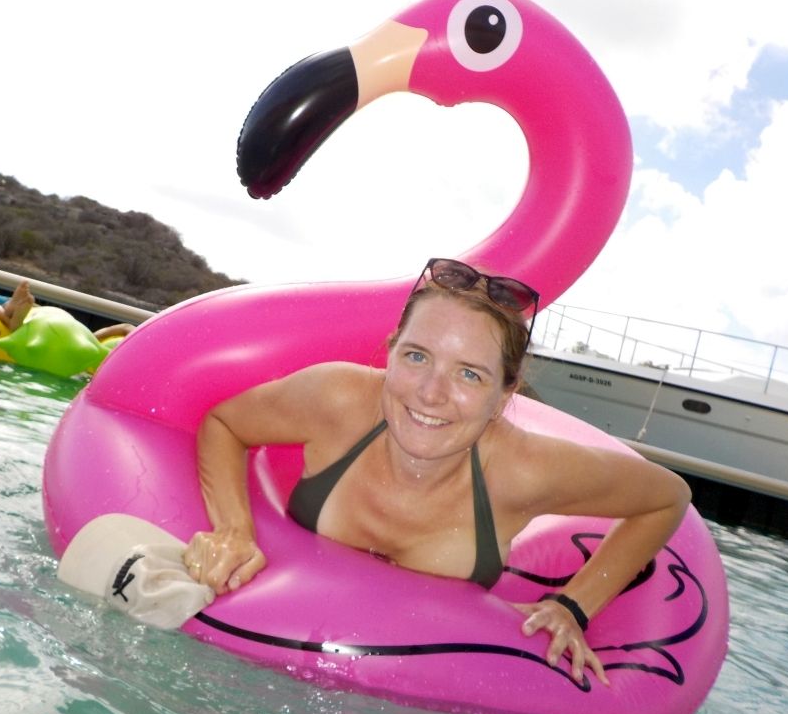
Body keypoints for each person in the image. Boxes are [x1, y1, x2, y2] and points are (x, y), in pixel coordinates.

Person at [182, 257, 691, 684]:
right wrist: (233, 529)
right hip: (251, 658)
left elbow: (667, 497)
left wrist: (575, 605)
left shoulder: (525, 470)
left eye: (469, 374)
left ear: (504, 395)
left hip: (414, 690)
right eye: (417, 356)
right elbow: (225, 425)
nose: (431, 393)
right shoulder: (336, 400)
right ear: (390, 352)